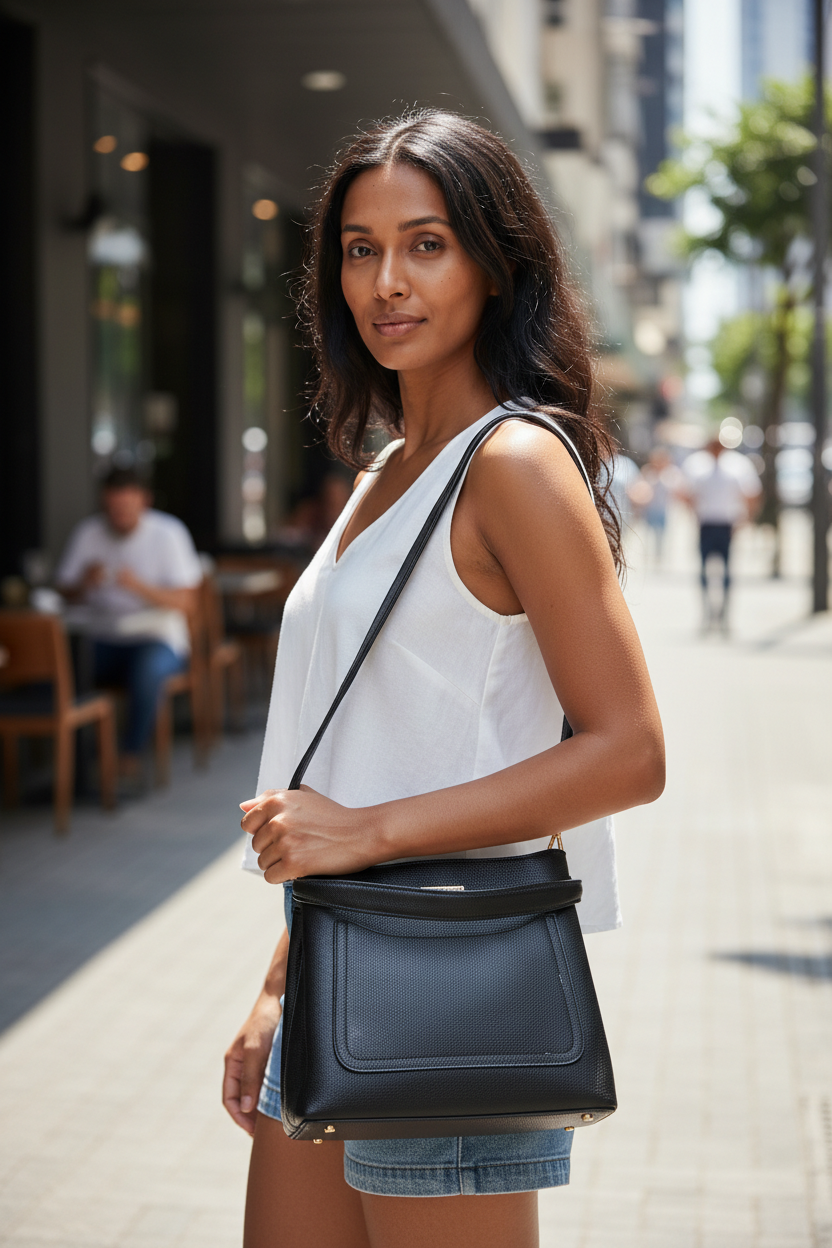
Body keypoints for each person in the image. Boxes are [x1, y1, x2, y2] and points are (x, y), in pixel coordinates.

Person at [224, 111, 665, 1248]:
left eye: (425, 243)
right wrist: (280, 981)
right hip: (338, 961)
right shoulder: (381, 471)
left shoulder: (512, 464)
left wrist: (363, 836)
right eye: (359, 249)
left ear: (494, 258)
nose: (385, 281)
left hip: (449, 976)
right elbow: (353, 747)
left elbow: (629, 752)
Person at [56, 466, 203, 773]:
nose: (119, 516)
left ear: (144, 502)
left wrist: (138, 586)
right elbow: (64, 592)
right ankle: (76, 762)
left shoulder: (168, 533)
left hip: (157, 638)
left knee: (147, 670)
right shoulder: (89, 532)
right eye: (112, 509)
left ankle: (129, 754)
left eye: (126, 509)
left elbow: (187, 602)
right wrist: (84, 583)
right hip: (101, 636)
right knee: (66, 666)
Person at [681, 436, 762, 631]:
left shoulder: (738, 465)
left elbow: (752, 494)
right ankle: (707, 612)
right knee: (703, 571)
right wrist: (693, 513)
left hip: (726, 524)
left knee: (726, 572)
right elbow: (684, 492)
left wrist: (746, 520)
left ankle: (724, 614)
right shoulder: (697, 465)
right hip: (706, 523)